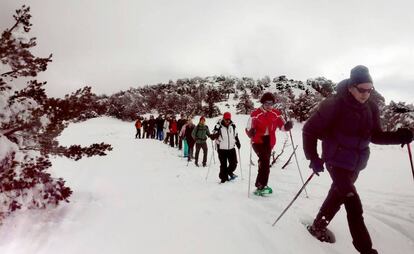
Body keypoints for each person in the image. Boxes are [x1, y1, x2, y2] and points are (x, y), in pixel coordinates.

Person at [302, 65, 413, 254]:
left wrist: (399, 136)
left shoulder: (371, 107)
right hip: (335, 161)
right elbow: (309, 130)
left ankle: (318, 225)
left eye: (369, 89)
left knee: (337, 196)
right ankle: (366, 250)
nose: (366, 94)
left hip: (355, 164)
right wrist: (313, 158)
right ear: (351, 87)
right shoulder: (334, 104)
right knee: (353, 204)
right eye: (362, 89)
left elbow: (376, 136)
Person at [245, 92, 293, 195]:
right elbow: (248, 128)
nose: (269, 106)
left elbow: (282, 127)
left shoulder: (276, 113)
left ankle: (260, 184)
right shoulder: (255, 114)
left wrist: (287, 126)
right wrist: (250, 132)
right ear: (262, 103)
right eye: (267, 104)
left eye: (271, 104)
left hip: (269, 141)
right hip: (257, 141)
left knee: (264, 162)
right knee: (265, 161)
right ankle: (262, 185)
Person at [211, 112, 241, 183]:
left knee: (234, 164)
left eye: (229, 119)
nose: (227, 121)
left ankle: (227, 173)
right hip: (222, 149)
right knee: (223, 165)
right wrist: (216, 132)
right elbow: (212, 137)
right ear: (223, 119)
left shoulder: (233, 126)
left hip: (231, 148)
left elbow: (235, 135)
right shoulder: (218, 126)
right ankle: (223, 178)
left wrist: (238, 142)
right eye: (226, 119)